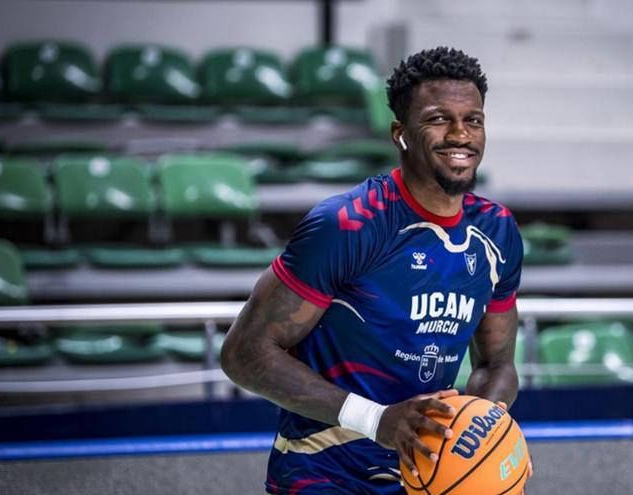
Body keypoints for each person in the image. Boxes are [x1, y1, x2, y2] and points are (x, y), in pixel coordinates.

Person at [222, 46, 527, 494]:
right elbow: (243, 354)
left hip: (423, 478)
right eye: (438, 118)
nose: (460, 134)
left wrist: (479, 432)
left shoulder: (496, 232)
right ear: (400, 133)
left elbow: (497, 364)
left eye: (474, 120)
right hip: (323, 474)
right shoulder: (348, 224)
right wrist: (376, 419)